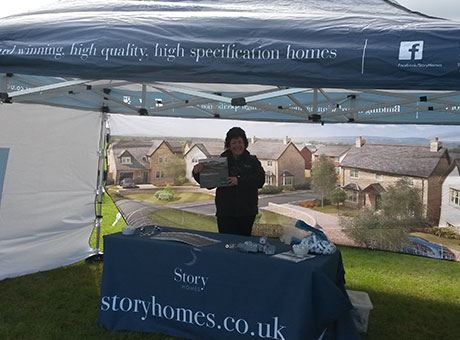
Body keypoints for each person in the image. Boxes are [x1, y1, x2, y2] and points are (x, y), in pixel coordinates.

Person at [193, 127, 265, 236]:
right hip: (225, 213)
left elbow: (260, 180)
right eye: (234, 142)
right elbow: (209, 185)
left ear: (245, 143)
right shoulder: (220, 162)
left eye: (240, 142)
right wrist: (196, 172)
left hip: (247, 213)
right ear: (229, 144)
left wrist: (239, 181)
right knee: (226, 243)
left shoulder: (253, 161)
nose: (237, 145)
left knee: (243, 242)